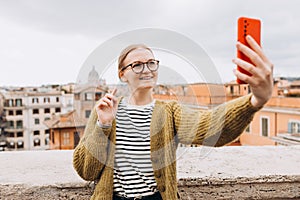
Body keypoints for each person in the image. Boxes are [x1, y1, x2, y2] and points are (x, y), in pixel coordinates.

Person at [73, 35, 273, 200]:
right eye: (137, 65)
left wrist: (255, 100)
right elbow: (86, 171)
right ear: (122, 74)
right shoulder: (106, 111)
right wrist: (103, 125)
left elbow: (210, 127)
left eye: (151, 63)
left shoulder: (170, 111)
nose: (147, 70)